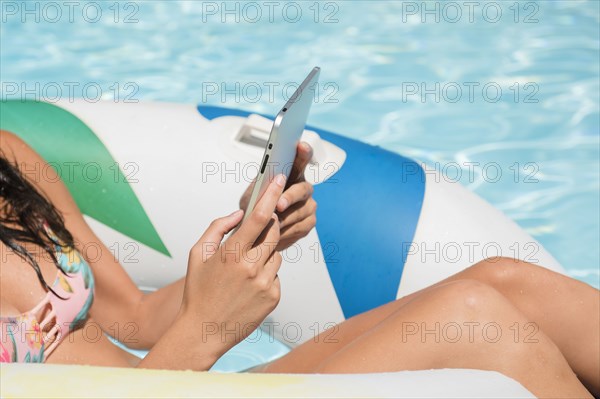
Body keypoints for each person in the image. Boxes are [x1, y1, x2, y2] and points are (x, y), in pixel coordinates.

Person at [0, 129, 597, 398]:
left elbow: (134, 319)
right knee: (474, 317)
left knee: (505, 282)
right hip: (172, 383)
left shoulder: (8, 156)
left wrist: (248, 248)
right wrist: (208, 330)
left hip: (174, 379)